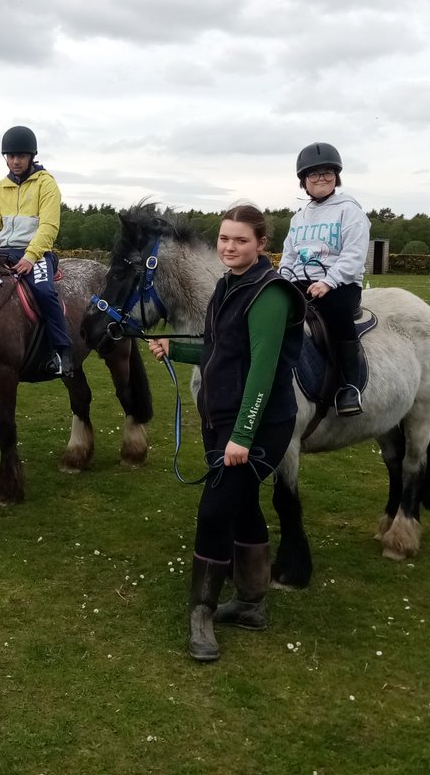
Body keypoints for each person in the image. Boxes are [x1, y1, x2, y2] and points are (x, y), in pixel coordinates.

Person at [148, 205, 304, 663]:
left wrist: (242, 435)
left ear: (261, 245)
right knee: (243, 504)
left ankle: (202, 613)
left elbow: (262, 369)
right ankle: (252, 605)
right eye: (224, 239)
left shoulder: (270, 295)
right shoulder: (228, 286)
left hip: (256, 427)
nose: (229, 247)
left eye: (240, 240)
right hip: (222, 420)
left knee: (215, 510)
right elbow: (219, 349)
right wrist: (175, 348)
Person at [279, 142, 369, 416]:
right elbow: (289, 256)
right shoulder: (299, 219)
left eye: (327, 173)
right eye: (314, 174)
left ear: (336, 177)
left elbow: (354, 255)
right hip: (302, 281)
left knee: (336, 313)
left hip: (341, 284)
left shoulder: (350, 210)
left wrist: (329, 282)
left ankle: (348, 386)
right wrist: (281, 282)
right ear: (304, 181)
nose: (321, 178)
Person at [0, 125, 72, 376]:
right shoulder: (1, 187)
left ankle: (62, 353)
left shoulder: (46, 184)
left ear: (31, 156)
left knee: (44, 292)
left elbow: (49, 225)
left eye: (20, 156)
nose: (15, 161)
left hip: (36, 253)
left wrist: (31, 257)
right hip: (2, 253)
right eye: (10, 156)